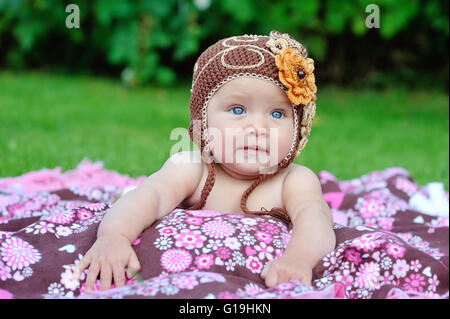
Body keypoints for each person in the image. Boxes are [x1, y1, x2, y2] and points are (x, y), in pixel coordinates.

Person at [74, 30, 336, 293]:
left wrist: (299, 258)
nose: (258, 127)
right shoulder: (192, 169)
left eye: (277, 113)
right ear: (203, 120)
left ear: (298, 129)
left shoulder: (293, 180)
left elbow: (316, 219)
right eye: (237, 110)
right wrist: (114, 237)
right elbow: (147, 197)